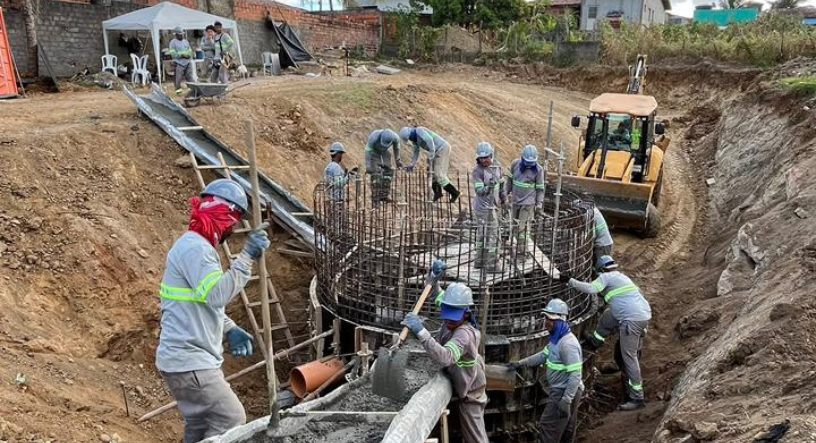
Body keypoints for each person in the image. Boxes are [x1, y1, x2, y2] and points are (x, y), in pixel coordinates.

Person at [156, 179, 271, 442]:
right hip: (191, 361)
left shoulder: (194, 247)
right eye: (233, 222)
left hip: (182, 360)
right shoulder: (196, 249)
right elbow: (217, 295)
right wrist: (247, 256)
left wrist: (229, 328)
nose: (232, 230)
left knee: (199, 426)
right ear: (222, 216)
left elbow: (197, 301)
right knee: (231, 418)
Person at [560, 255, 651, 411]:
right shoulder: (621, 278)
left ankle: (637, 397)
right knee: (608, 316)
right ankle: (596, 340)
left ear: (601, 270)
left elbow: (591, 289)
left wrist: (569, 280)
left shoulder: (606, 277)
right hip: (639, 315)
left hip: (631, 321)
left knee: (628, 357)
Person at [402, 282, 488, 443]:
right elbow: (437, 295)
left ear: (466, 313)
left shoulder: (464, 334)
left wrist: (421, 331)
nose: (449, 321)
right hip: (459, 378)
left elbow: (446, 357)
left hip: (471, 391)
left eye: (453, 318)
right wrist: (433, 279)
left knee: (475, 437)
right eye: (447, 315)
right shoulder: (450, 306)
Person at [506, 299, 583, 443]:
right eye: (546, 318)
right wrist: (520, 363)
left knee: (548, 426)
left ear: (561, 321)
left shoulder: (567, 344)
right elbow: (543, 356)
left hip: (564, 391)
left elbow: (575, 374)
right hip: (565, 390)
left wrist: (566, 400)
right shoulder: (556, 340)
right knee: (566, 429)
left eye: (551, 320)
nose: (547, 322)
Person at [505, 145, 545, 260]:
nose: (528, 165)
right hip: (515, 201)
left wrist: (539, 205)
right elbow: (509, 183)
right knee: (513, 226)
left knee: (522, 228)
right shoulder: (515, 165)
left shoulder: (538, 170)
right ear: (522, 158)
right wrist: (503, 197)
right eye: (527, 162)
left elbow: (540, 189)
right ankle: (515, 249)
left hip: (528, 203)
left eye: (531, 163)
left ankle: (522, 253)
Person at [399, 126, 460, 202]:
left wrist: (431, 155)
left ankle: (454, 193)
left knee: (438, 174)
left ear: (411, 134)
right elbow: (416, 153)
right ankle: (437, 193)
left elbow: (429, 140)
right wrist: (412, 165)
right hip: (436, 151)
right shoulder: (415, 140)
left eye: (410, 138)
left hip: (442, 148)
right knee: (430, 172)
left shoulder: (419, 131)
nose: (410, 139)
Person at [472, 142, 506, 272]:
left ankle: (480, 261)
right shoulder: (477, 171)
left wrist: (504, 200)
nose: (484, 160)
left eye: (486, 157)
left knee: (487, 234)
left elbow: (502, 185)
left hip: (493, 206)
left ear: (491, 155)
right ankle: (491, 263)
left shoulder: (497, 167)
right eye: (482, 158)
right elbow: (479, 192)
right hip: (483, 208)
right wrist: (489, 187)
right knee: (492, 234)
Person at [365, 129, 402, 204]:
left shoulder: (395, 138)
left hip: (385, 152)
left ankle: (384, 195)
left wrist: (398, 160)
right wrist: (368, 166)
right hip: (374, 152)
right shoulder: (374, 136)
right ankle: (375, 198)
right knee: (376, 172)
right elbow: (367, 151)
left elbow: (396, 148)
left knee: (389, 170)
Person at [168, 27, 194, 95]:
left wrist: (189, 55)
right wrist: (181, 55)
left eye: (182, 34)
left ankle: (191, 90)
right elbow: (173, 53)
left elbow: (190, 50)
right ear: (176, 34)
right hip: (178, 63)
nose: (181, 35)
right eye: (179, 34)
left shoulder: (186, 41)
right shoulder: (172, 42)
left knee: (190, 77)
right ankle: (178, 91)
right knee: (178, 78)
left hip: (187, 62)